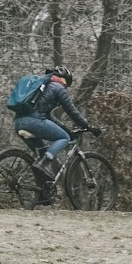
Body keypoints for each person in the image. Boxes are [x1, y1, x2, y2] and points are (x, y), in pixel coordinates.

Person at [13, 66, 99, 202]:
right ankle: (43, 163)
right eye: (67, 85)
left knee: (41, 154)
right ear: (64, 80)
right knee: (63, 138)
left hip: (19, 123)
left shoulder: (44, 87)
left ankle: (43, 194)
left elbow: (49, 117)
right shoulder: (58, 87)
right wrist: (88, 126)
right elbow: (72, 111)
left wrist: (68, 130)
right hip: (34, 122)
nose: (66, 88)